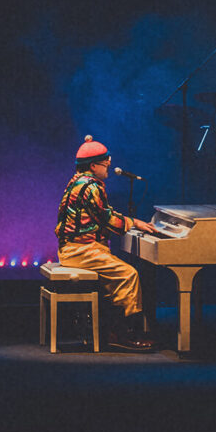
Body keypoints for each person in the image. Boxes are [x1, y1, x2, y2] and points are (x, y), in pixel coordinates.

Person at [55, 135, 157, 351]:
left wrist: (133, 222)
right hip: (79, 250)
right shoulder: (91, 187)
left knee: (116, 272)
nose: (109, 165)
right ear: (93, 165)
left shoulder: (77, 181)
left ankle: (113, 327)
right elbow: (106, 218)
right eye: (105, 163)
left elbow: (104, 214)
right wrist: (134, 223)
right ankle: (121, 334)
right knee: (128, 274)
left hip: (73, 248)